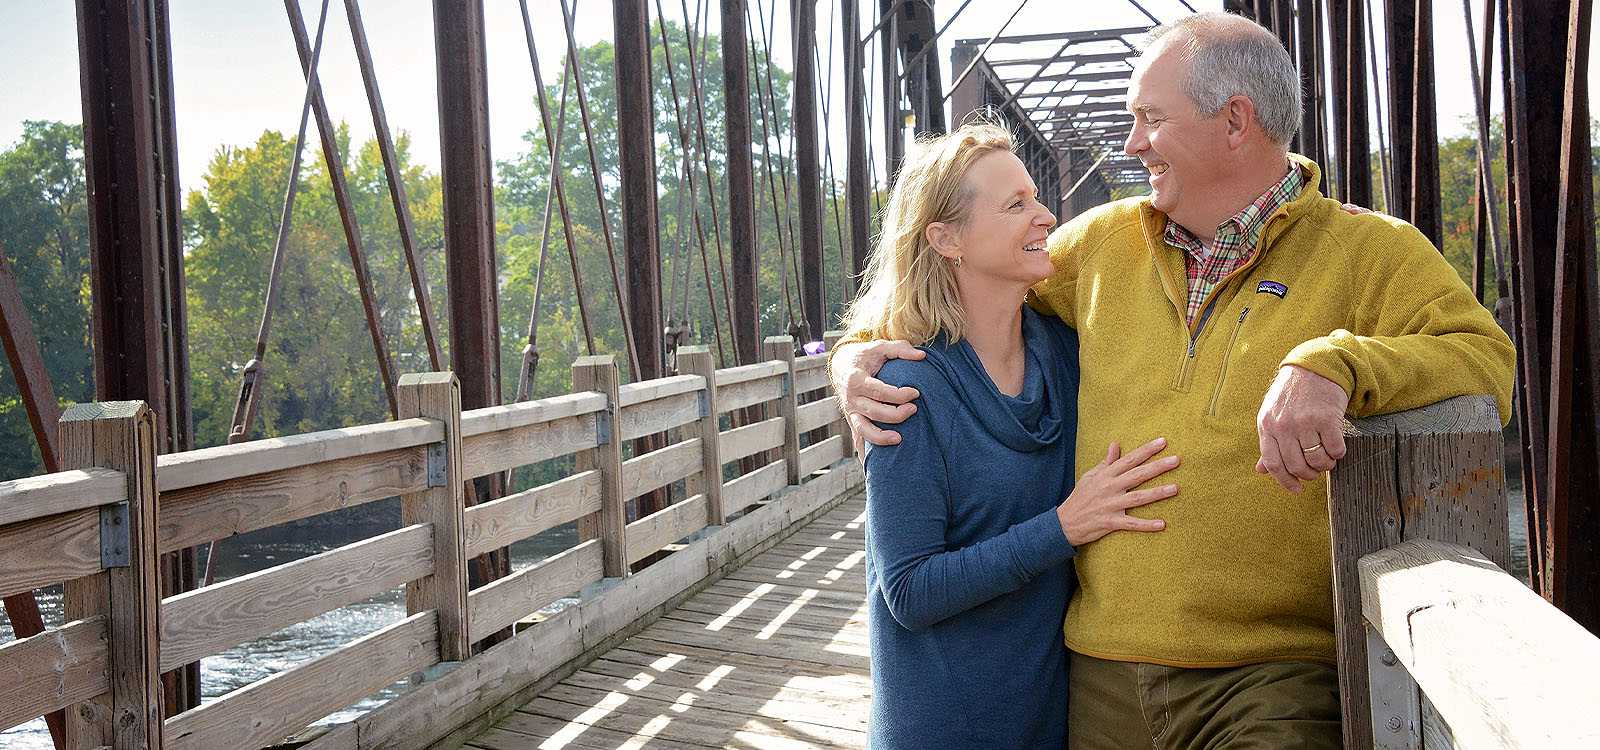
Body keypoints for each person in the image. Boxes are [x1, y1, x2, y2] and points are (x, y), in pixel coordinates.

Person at [832, 12, 1515, 748]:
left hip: (1267, 675)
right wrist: (852, 357)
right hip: (1096, 672)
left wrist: (1339, 362)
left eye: (1150, 119)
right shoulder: (1100, 244)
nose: (1130, 144)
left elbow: (1486, 359)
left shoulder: (1367, 250)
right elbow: (962, 288)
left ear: (1234, 121)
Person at [845, 122, 1182, 748]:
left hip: (1050, 714)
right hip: (945, 727)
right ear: (947, 238)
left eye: (1035, 197)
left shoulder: (1062, 351)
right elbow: (911, 591)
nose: (1045, 215)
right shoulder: (907, 390)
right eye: (1015, 205)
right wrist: (1064, 526)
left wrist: (1305, 219)